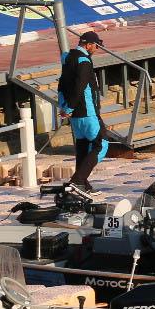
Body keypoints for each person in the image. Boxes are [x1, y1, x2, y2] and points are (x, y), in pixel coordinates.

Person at [59, 30, 105, 190]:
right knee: (102, 145)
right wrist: (69, 107)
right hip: (87, 112)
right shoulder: (84, 61)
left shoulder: (68, 58)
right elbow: (80, 87)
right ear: (89, 45)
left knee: (83, 146)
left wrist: (65, 107)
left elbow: (62, 85)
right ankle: (78, 180)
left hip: (75, 115)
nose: (97, 49)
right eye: (96, 45)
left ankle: (83, 185)